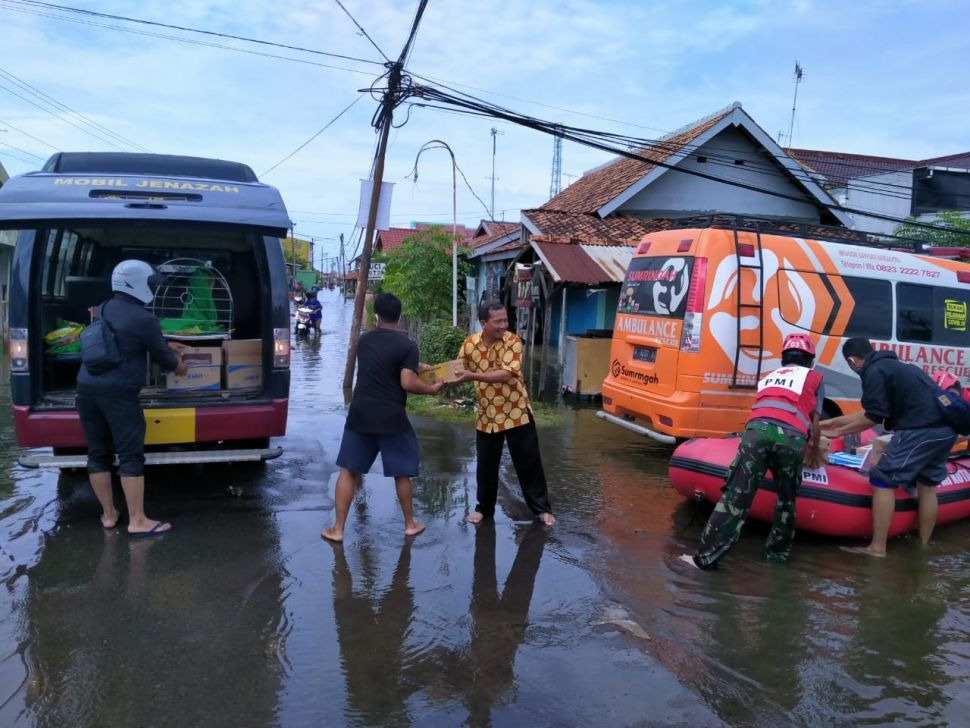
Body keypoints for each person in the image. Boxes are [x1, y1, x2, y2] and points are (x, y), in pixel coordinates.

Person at [684, 333, 824, 570]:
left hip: (755, 434)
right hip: (790, 439)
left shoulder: (768, 377)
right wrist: (814, 451)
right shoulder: (815, 378)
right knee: (786, 500)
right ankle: (776, 557)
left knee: (735, 497)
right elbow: (815, 420)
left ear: (783, 359)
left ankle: (704, 559)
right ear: (810, 360)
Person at [76, 259, 188, 537]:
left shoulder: (102, 308)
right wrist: (180, 365)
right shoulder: (144, 318)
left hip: (86, 389)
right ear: (138, 284)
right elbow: (164, 359)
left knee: (98, 454)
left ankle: (109, 515)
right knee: (130, 455)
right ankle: (138, 521)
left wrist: (162, 342)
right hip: (119, 393)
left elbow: (120, 339)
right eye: (150, 283)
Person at [321, 293, 443, 542]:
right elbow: (406, 380)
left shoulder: (363, 341)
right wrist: (430, 388)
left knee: (348, 471)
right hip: (391, 418)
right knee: (402, 473)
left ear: (376, 315)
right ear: (399, 316)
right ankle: (410, 524)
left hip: (360, 414)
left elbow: (382, 363)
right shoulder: (407, 345)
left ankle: (338, 529)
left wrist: (417, 365)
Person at [821, 338, 958, 557]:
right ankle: (923, 545)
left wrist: (838, 432)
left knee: (882, 479)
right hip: (946, 430)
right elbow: (871, 413)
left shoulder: (874, 371)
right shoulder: (897, 365)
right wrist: (834, 423)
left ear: (852, 360)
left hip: (920, 429)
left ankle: (877, 548)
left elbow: (873, 417)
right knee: (927, 484)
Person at [454, 300, 555, 526]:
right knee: (486, 465)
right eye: (497, 321)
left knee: (528, 463)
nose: (503, 325)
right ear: (484, 323)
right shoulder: (470, 344)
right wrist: (432, 379)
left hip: (516, 411)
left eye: (505, 320)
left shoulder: (513, 341)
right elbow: (457, 369)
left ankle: (541, 509)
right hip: (487, 414)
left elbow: (506, 374)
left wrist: (472, 376)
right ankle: (483, 509)